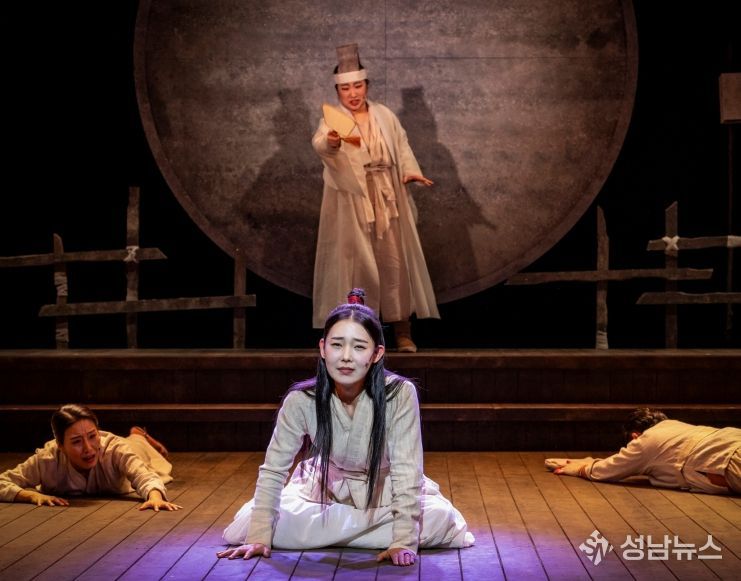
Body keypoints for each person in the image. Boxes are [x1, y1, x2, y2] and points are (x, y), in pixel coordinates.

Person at [217, 289, 473, 567]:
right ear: (322, 348)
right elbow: (274, 470)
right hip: (326, 491)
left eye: (359, 347)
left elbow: (406, 470)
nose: (346, 356)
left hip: (385, 491)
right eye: (337, 345)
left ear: (377, 354)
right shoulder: (301, 400)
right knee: (247, 523)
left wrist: (403, 540)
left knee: (439, 520)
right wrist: (259, 536)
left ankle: (332, 533)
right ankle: (361, 532)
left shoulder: (399, 394)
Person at [311, 43, 440, 352]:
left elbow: (402, 145)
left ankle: (402, 331)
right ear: (338, 91)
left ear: (366, 86)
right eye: (345, 88)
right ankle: (359, 334)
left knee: (393, 262)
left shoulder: (384, 115)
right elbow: (321, 143)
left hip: (386, 197)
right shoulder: (334, 118)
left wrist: (409, 170)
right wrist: (332, 142)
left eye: (357, 86)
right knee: (357, 264)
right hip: (354, 200)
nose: (353, 93)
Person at [0, 404, 181, 511]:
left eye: (93, 436)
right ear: (60, 445)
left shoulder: (115, 449)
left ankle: (139, 435)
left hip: (131, 449)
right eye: (76, 441)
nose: (88, 448)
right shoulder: (47, 459)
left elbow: (144, 476)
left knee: (138, 447)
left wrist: (155, 497)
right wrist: (30, 495)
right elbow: (2, 482)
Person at [546, 408, 741, 494]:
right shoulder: (676, 426)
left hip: (730, 457)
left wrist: (581, 468)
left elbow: (607, 470)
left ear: (634, 436)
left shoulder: (645, 441)